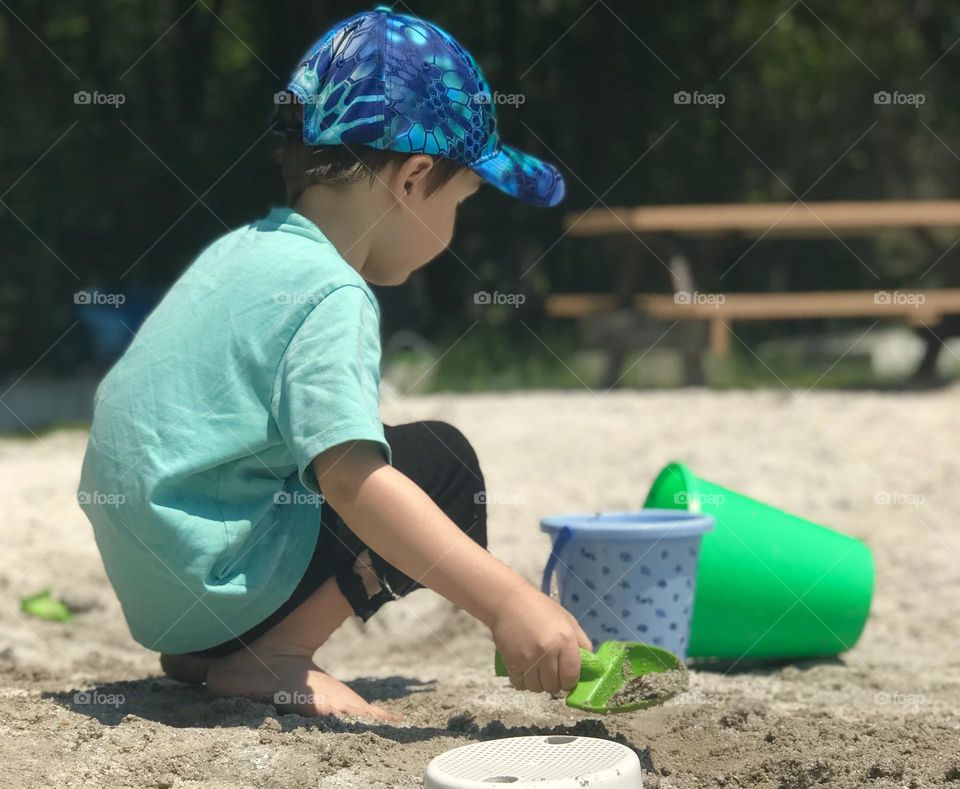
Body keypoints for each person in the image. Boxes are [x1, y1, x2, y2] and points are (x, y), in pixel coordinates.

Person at [78, 5, 589, 721]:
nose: (456, 224)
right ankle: (271, 654)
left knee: (323, 460)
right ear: (413, 179)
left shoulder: (238, 252)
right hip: (223, 583)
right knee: (444, 465)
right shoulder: (331, 291)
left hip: (160, 592)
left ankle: (213, 650)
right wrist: (509, 601)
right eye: (463, 198)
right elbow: (351, 481)